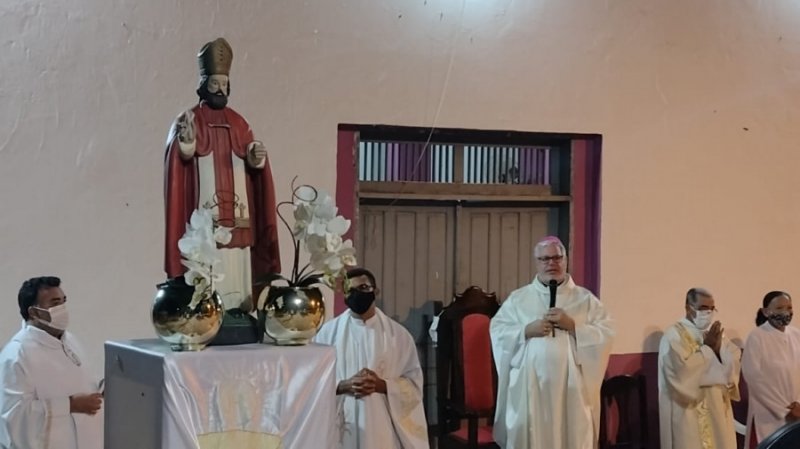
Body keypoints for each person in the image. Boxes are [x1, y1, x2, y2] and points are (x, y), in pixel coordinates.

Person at [164, 37, 280, 310]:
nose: (219, 89)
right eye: (214, 83)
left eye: (224, 84)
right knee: (209, 258)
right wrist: (186, 143)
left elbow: (252, 158)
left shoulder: (239, 123)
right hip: (205, 213)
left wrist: (256, 157)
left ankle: (240, 308)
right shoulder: (190, 118)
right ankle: (207, 309)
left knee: (237, 260)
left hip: (239, 210)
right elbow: (180, 156)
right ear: (203, 85)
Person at [490, 236, 614, 449]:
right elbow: (498, 330)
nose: (551, 264)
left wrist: (573, 326)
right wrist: (525, 331)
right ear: (536, 262)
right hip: (530, 387)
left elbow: (606, 332)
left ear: (566, 260)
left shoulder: (585, 300)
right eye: (545, 259)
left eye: (557, 258)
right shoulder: (518, 299)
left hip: (572, 389)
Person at [312, 268, 429, 449]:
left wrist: (382, 385)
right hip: (343, 425)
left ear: (376, 291)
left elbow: (413, 385)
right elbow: (313, 382)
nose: (357, 294)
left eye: (364, 287)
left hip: (382, 426)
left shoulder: (398, 336)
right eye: (350, 290)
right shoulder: (327, 334)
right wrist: (343, 385)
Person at [0, 276, 102, 449]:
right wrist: (70, 405)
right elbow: (14, 419)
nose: (62, 308)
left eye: (63, 301)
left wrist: (100, 391)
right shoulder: (17, 354)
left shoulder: (70, 341)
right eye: (55, 303)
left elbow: (81, 385)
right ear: (34, 312)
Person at [658, 287, 741, 449]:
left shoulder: (716, 334)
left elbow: (733, 357)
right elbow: (681, 373)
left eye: (712, 308)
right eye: (703, 308)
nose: (708, 312)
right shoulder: (673, 336)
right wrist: (708, 349)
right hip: (688, 411)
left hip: (716, 408)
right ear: (688, 308)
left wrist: (718, 351)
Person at [742, 291, 800, 448]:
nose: (786, 312)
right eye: (779, 308)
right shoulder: (757, 336)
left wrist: (798, 404)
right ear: (766, 311)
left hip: (797, 412)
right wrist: (783, 410)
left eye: (789, 307)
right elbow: (754, 379)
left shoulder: (797, 335)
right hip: (768, 413)